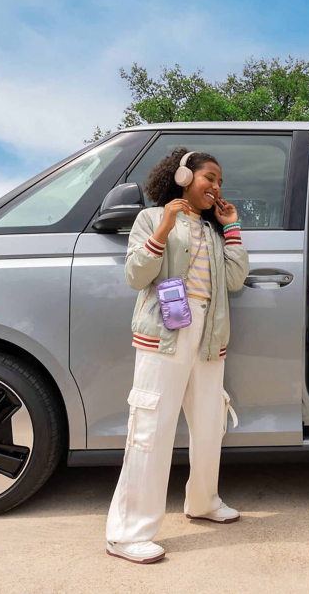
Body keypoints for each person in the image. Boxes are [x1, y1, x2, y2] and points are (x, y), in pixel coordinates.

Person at [105, 148, 249, 564]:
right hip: (165, 334)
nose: (217, 186)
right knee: (151, 425)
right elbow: (136, 275)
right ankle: (127, 533)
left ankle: (202, 501)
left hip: (208, 335)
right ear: (183, 176)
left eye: (220, 181)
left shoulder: (214, 229)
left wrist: (232, 227)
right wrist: (165, 226)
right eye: (210, 177)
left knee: (209, 423)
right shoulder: (150, 218)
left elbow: (236, 279)